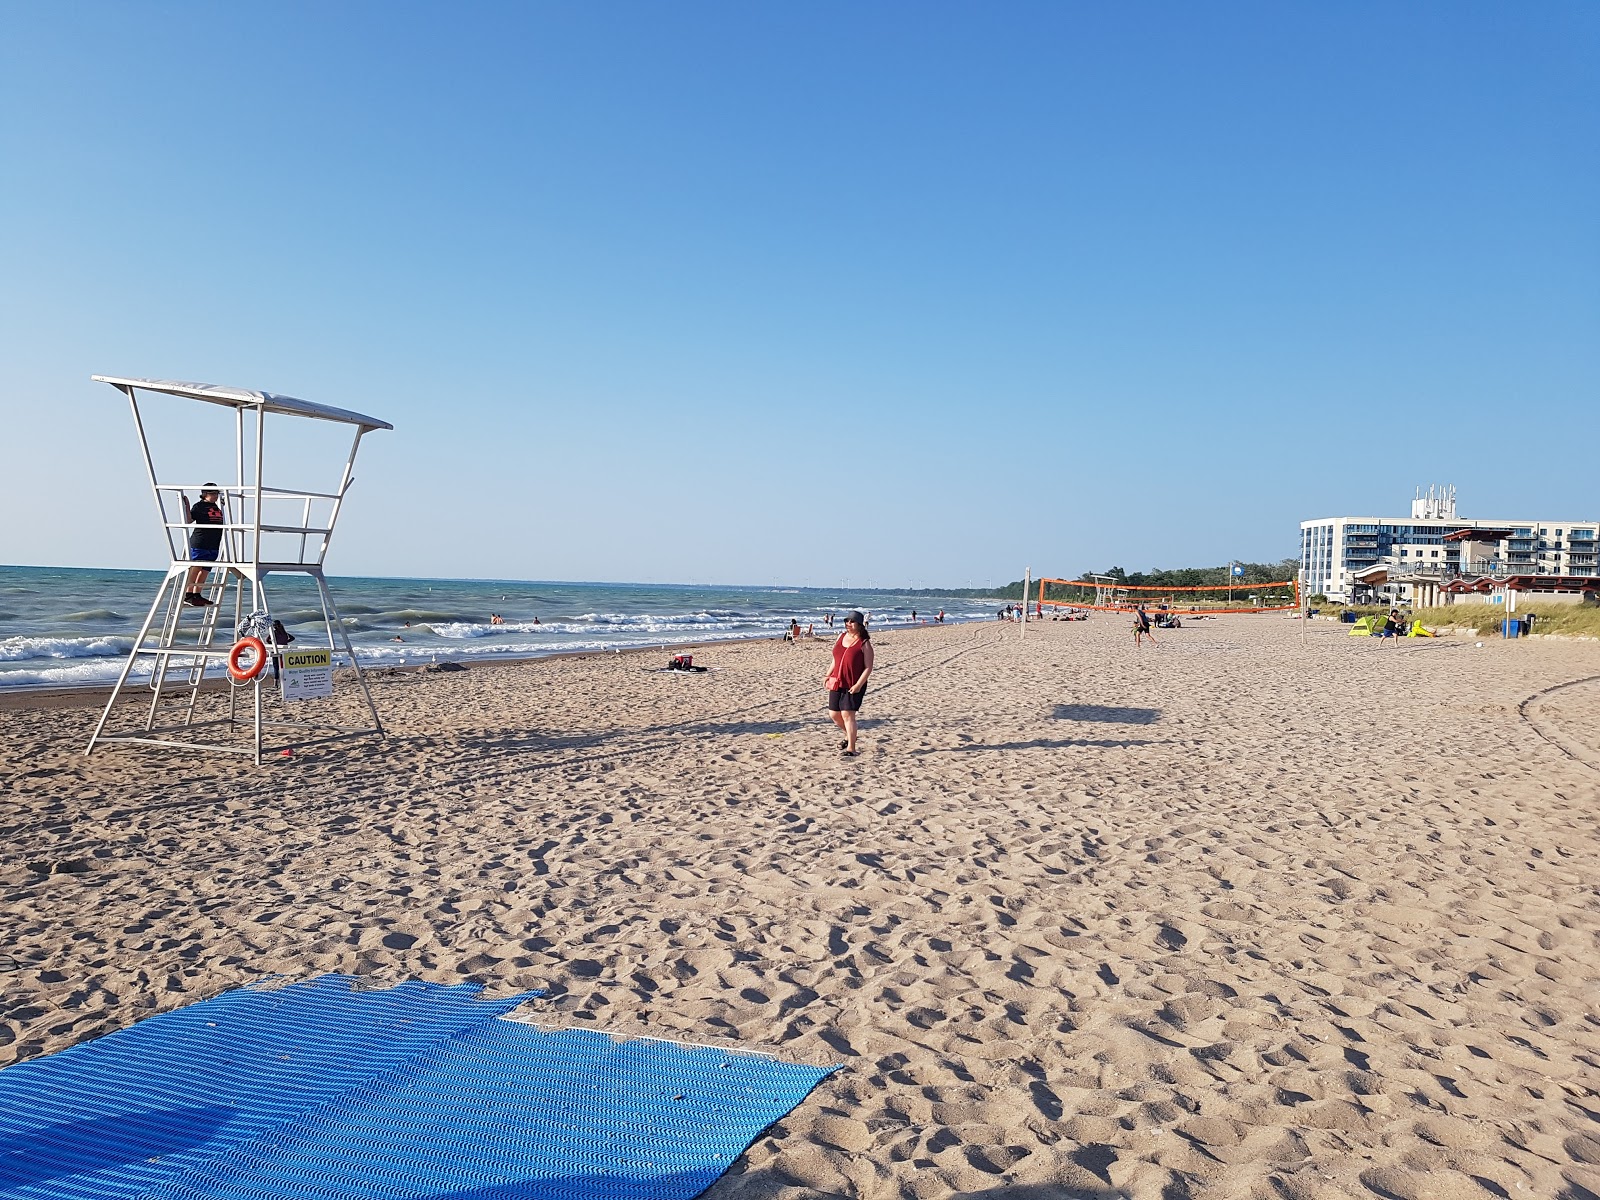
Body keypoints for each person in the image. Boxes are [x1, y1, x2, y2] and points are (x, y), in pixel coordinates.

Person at [826, 611, 875, 757]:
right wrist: (827, 674)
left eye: (852, 621)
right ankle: (849, 735)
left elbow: (868, 667)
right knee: (834, 714)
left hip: (853, 683)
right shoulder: (841, 637)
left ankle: (851, 749)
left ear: (859, 624)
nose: (848, 624)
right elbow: (835, 658)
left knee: (848, 714)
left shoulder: (864, 643)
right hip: (837, 681)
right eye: (847, 621)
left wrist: (859, 684)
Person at [180, 484, 226, 606]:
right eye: (213, 493)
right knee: (196, 568)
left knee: (205, 570)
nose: (215, 496)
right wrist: (187, 505)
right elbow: (189, 520)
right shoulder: (199, 506)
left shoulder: (217, 507)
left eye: (216, 493)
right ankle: (188, 594)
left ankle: (197, 594)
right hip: (200, 542)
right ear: (205, 494)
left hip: (214, 543)